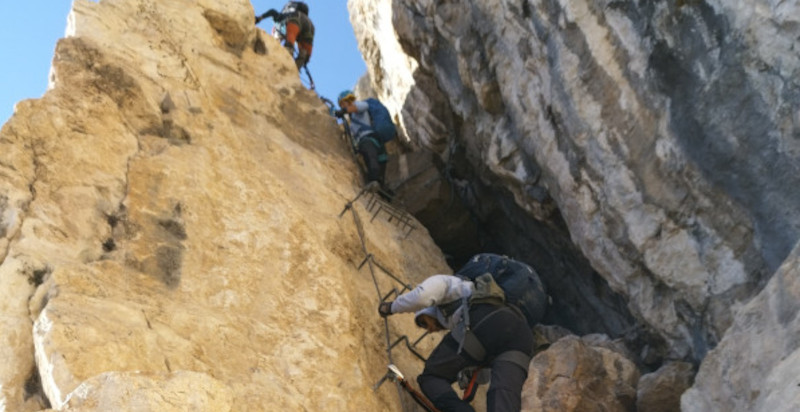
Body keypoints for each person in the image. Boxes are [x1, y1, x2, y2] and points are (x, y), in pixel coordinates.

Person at [378, 273, 534, 412]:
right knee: (504, 396)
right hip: (522, 338)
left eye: (423, 323)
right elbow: (483, 377)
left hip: (484, 322)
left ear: (428, 309)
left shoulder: (448, 284)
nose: (429, 330)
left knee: (431, 377)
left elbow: (421, 296)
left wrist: (391, 307)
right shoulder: (475, 297)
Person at [335, 90, 389, 193]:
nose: (342, 106)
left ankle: (376, 182)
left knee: (372, 159)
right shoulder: (353, 121)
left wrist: (344, 111)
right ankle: (380, 186)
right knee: (375, 160)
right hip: (370, 141)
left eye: (343, 103)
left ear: (348, 100)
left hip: (368, 139)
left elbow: (363, 106)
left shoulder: (359, 105)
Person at [255, 2, 314, 70]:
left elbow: (272, 11)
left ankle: (289, 62)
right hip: (310, 25)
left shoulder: (279, 23)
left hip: (294, 18)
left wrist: (258, 18)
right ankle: (294, 70)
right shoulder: (289, 13)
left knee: (289, 45)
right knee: (305, 54)